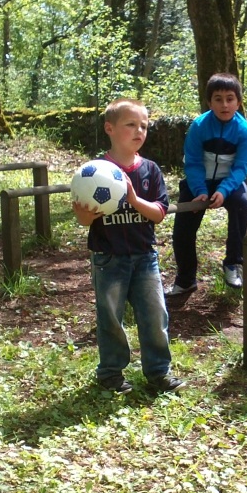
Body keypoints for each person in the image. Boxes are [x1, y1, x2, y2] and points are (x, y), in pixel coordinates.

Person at [72, 98, 185, 394]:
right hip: (108, 258)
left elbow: (159, 213)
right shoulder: (94, 172)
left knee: (155, 315)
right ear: (109, 128)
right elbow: (83, 219)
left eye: (144, 126)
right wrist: (89, 211)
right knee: (110, 317)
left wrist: (133, 198)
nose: (139, 131)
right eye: (131, 125)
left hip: (145, 257)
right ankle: (110, 374)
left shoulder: (150, 170)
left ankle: (158, 373)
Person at [165, 72, 247, 294]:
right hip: (199, 182)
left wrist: (224, 190)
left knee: (241, 204)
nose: (224, 105)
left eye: (230, 99)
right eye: (218, 99)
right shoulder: (199, 126)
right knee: (183, 228)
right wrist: (200, 190)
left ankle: (233, 263)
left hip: (230, 182)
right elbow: (193, 161)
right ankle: (186, 280)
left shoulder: (245, 131)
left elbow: (241, 167)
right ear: (209, 102)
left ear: (238, 102)